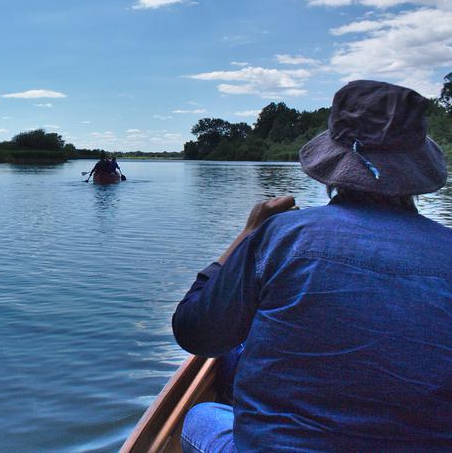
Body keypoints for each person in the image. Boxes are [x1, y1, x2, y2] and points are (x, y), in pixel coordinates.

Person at [172, 80, 452, 452]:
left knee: (199, 415)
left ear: (333, 162)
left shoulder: (283, 236)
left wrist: (247, 234)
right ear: (416, 168)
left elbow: (196, 335)